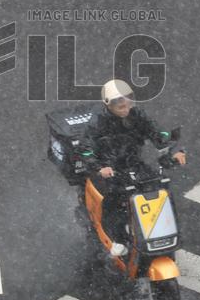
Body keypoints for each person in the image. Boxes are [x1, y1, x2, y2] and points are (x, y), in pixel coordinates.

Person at [80, 79, 186, 256]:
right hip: (110, 169)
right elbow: (85, 150)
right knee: (113, 202)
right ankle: (117, 239)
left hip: (134, 164)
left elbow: (159, 133)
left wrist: (174, 151)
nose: (124, 106)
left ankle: (164, 231)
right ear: (107, 104)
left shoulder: (137, 115)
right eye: (118, 103)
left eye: (127, 100)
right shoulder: (97, 122)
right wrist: (99, 168)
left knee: (160, 189)